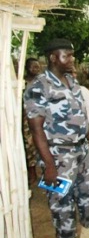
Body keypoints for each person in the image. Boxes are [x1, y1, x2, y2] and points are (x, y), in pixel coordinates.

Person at [24, 38, 89, 238]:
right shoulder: (39, 87)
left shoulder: (71, 81)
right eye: (68, 55)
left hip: (81, 149)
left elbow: (80, 112)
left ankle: (88, 231)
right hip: (57, 154)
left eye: (72, 54)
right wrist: (48, 164)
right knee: (60, 199)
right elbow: (36, 130)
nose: (73, 59)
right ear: (54, 57)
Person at [23, 57, 41, 185]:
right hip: (26, 121)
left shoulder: (42, 82)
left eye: (38, 66)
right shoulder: (21, 83)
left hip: (42, 119)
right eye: (33, 66)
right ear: (27, 68)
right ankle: (32, 173)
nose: (36, 69)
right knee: (29, 147)